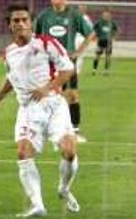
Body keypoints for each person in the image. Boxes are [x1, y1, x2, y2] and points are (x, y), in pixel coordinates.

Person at [0, 4, 81, 218]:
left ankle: (64, 188)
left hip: (54, 104)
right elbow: (11, 78)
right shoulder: (9, 53)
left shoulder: (47, 43)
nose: (20, 24)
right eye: (15, 20)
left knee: (69, 150)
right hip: (28, 109)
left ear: (30, 23)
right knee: (23, 152)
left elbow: (68, 69)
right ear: (9, 25)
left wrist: (47, 87)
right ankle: (38, 205)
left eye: (24, 20)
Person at [34, 0, 95, 143]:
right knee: (47, 95)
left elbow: (90, 34)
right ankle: (45, 130)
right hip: (48, 62)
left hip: (67, 61)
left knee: (72, 95)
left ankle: (74, 131)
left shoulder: (74, 14)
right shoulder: (44, 15)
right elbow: (35, 37)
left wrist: (78, 51)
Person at [92, 9, 119, 76]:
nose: (106, 16)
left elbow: (116, 30)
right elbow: (93, 30)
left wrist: (114, 37)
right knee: (97, 56)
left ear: (110, 16)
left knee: (108, 57)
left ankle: (106, 71)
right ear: (102, 15)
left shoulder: (112, 23)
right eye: (105, 15)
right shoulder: (99, 22)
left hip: (108, 42)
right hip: (100, 41)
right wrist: (95, 37)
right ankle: (94, 70)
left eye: (108, 15)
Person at [74, 5, 93, 75]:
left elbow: (90, 29)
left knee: (80, 55)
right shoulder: (74, 17)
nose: (81, 10)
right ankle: (71, 69)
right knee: (72, 54)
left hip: (82, 39)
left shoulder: (87, 18)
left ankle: (77, 71)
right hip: (74, 38)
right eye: (80, 9)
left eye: (83, 9)